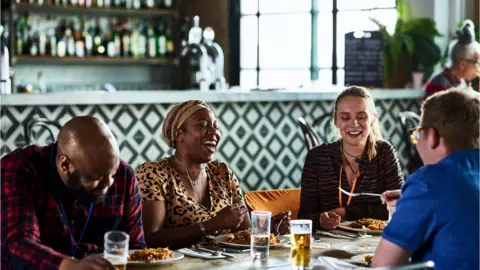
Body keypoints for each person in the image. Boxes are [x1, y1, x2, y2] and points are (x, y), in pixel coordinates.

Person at [137, 100, 290, 249]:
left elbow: (243, 234)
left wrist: (267, 231)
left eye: (216, 127)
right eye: (203, 125)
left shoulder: (223, 174)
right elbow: (150, 239)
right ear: (179, 135)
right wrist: (212, 225)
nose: (214, 133)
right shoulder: (154, 173)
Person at [1, 116, 146, 270]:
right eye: (95, 177)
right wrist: (72, 267)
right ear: (65, 164)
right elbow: (18, 244)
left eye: (112, 173)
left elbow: (136, 249)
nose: (109, 183)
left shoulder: (124, 176)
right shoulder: (19, 168)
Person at [372, 88, 479, 269]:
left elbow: (383, 266)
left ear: (432, 136)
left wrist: (417, 197)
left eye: (417, 135)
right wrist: (410, 202)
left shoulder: (428, 184)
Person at [298, 86, 404, 231]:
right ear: (336, 120)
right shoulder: (318, 157)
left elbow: (401, 206)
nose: (354, 123)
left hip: (374, 244)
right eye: (345, 117)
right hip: (327, 244)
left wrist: (346, 212)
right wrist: (320, 221)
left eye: (361, 116)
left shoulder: (384, 152)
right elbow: (304, 217)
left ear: (373, 118)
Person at [424, 19, 480, 99]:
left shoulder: (460, 82)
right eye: (477, 63)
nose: (478, 68)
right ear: (463, 64)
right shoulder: (440, 84)